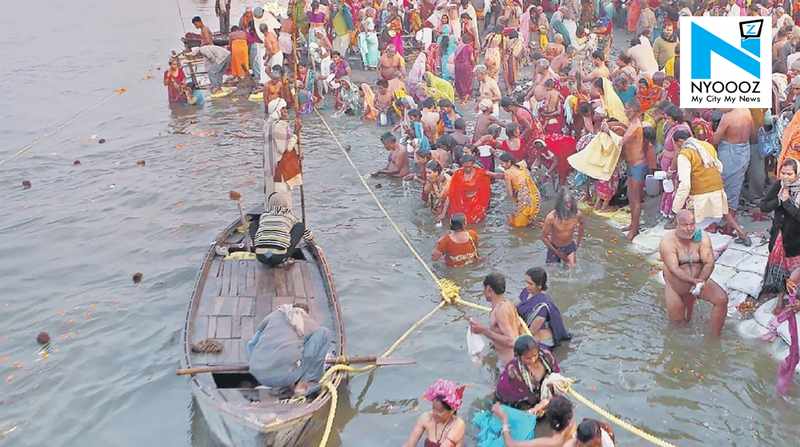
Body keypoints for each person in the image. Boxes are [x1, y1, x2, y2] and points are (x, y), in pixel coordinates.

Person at [670, 130, 751, 245]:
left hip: (699, 191)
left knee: (690, 219)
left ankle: (693, 244)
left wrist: (675, 208)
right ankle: (742, 234)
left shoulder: (685, 153)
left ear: (680, 142)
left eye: (676, 144)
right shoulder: (707, 145)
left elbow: (685, 184)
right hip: (717, 186)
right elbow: (719, 166)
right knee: (726, 213)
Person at [659, 209, 729, 336]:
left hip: (698, 281)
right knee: (678, 326)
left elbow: (709, 262)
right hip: (676, 287)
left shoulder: (702, 237)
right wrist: (692, 281)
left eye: (692, 224)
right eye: (685, 225)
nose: (689, 228)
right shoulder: (667, 241)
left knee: (721, 299)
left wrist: (701, 280)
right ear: (677, 225)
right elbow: (674, 268)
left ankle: (714, 340)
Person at [246, 303, 331, 399]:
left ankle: (278, 384)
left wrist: (254, 363)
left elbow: (251, 344)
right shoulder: (310, 323)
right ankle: (306, 384)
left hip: (256, 373)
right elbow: (310, 354)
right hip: (285, 377)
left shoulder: (273, 315)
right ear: (305, 313)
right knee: (324, 332)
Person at [760, 159, 800, 314]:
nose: (785, 177)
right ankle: (780, 298)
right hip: (780, 236)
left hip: (796, 239)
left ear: (797, 175)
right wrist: (778, 200)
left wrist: (787, 202)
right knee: (781, 269)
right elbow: (764, 206)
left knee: (795, 271)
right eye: (782, 173)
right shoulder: (779, 185)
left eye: (789, 174)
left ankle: (793, 299)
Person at [468, 273, 527, 365]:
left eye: (484, 289)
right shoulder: (508, 304)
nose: (483, 292)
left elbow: (512, 341)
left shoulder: (500, 311)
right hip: (511, 358)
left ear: (489, 289)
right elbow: (518, 329)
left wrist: (483, 330)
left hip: (509, 364)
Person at [495, 335, 560, 411]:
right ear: (518, 356)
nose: (532, 360)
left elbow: (556, 374)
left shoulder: (547, 356)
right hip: (518, 399)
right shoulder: (514, 372)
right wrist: (539, 406)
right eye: (528, 358)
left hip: (541, 394)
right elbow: (524, 396)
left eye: (535, 355)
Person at [712, 108, 753, 218]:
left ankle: (729, 218)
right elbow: (752, 132)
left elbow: (716, 139)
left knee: (726, 184)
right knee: (736, 184)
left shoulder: (728, 117)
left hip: (730, 152)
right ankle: (730, 215)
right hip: (744, 149)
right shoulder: (746, 111)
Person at [492, 394, 576, 447]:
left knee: (504, 412)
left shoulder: (553, 442)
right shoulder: (571, 424)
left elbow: (511, 444)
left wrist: (504, 420)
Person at [254, 192, 313, 267]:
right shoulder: (290, 216)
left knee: (254, 224)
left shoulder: (264, 215)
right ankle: (284, 258)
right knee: (300, 226)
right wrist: (311, 240)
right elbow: (308, 234)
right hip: (278, 257)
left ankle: (262, 249)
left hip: (261, 256)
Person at [517, 268, 571, 348]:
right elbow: (516, 305)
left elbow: (530, 334)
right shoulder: (526, 291)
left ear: (539, 286)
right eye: (526, 282)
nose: (526, 286)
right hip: (524, 326)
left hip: (539, 335)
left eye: (530, 284)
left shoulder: (542, 306)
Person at [402, 379, 466, 447]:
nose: (435, 414)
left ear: (452, 410)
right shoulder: (426, 418)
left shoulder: (458, 424)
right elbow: (409, 444)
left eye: (440, 411)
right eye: (433, 408)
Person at [542, 189, 584, 268]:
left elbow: (581, 226)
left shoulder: (577, 214)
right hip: (554, 247)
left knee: (572, 269)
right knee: (552, 272)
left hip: (569, 246)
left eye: (570, 202)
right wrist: (557, 252)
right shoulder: (551, 217)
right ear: (560, 204)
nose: (569, 205)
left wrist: (578, 244)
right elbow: (544, 237)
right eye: (566, 203)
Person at [447, 155, 494, 224]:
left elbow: (496, 175)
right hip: (461, 204)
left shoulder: (481, 173)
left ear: (473, 164)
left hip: (476, 203)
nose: (468, 169)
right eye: (465, 167)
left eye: (469, 167)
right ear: (462, 165)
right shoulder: (457, 174)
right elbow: (451, 193)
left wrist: (508, 174)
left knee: (477, 222)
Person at [499, 152, 541, 228]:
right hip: (535, 195)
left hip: (525, 198)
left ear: (509, 162)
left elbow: (510, 194)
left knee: (518, 226)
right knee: (529, 219)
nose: (501, 165)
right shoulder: (522, 164)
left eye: (502, 163)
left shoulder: (507, 173)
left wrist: (513, 204)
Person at [424, 160, 451, 225]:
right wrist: (430, 182)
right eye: (426, 172)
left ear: (436, 173)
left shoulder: (447, 181)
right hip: (436, 207)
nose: (427, 175)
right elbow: (426, 191)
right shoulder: (431, 178)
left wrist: (443, 214)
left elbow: (446, 198)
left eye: (429, 173)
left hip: (447, 208)